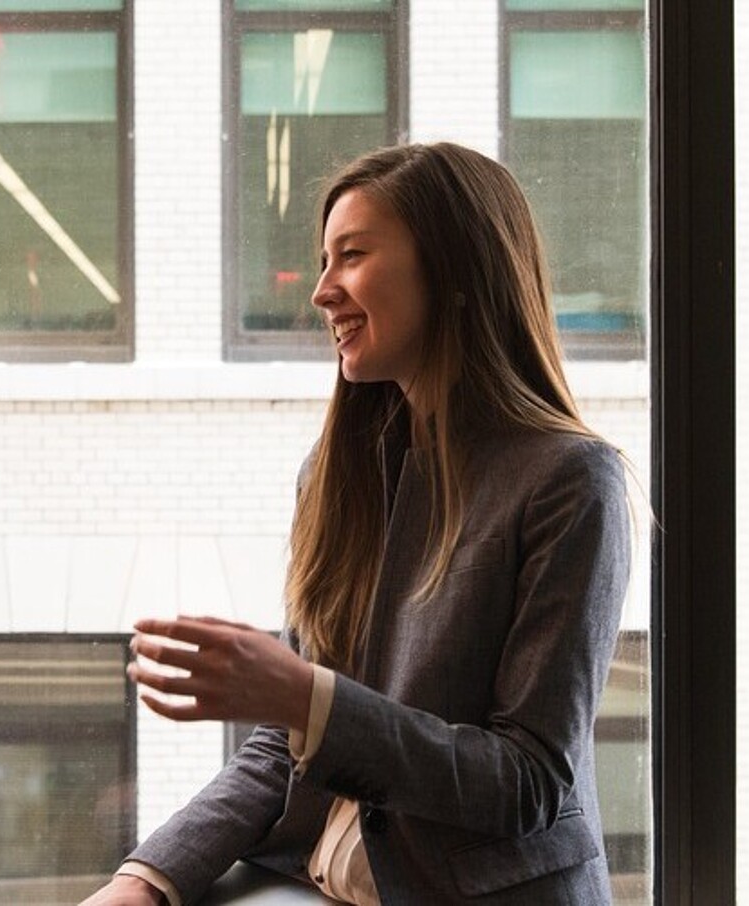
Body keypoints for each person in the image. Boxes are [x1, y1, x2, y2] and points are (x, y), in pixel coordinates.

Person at [82, 143, 634, 905]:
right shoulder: (339, 474)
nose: (320, 292)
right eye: (323, 259)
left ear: (455, 270)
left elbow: (527, 782)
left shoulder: (570, 482)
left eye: (352, 256)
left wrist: (307, 696)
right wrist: (146, 879)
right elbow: (286, 744)